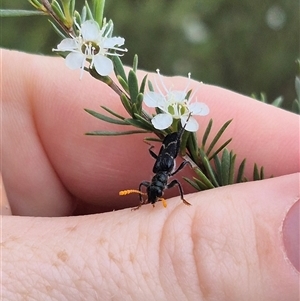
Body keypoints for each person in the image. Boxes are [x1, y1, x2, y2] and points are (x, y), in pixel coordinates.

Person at [1, 49, 299, 300]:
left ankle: (180, 129)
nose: (155, 191)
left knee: (178, 160)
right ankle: (178, 131)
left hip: (173, 144)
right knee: (174, 167)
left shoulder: (164, 172)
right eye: (154, 193)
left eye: (153, 192)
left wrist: (177, 144)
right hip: (169, 152)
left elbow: (169, 174)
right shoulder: (162, 175)